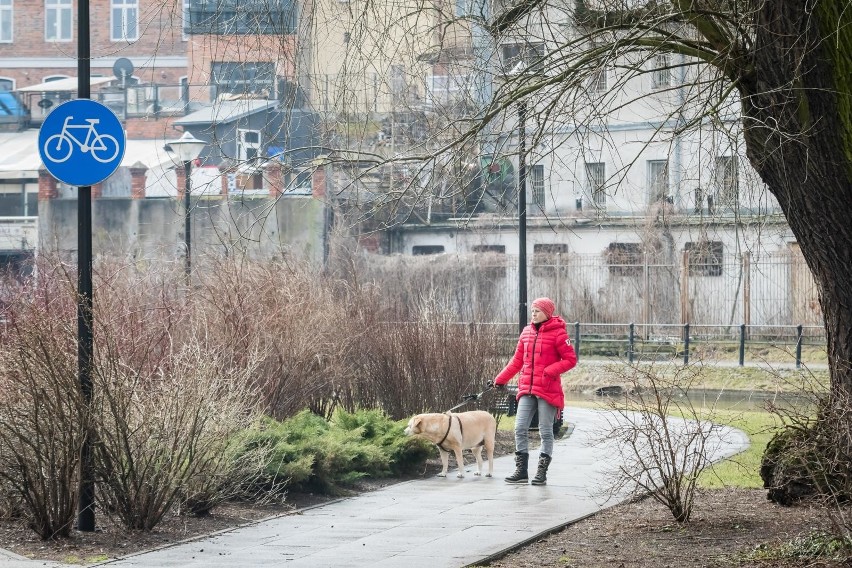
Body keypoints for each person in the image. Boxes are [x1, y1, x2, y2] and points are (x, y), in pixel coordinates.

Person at [490, 297, 577, 485]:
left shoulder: (559, 334)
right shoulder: (526, 333)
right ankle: (521, 471)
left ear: (547, 312)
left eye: (537, 311)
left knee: (545, 431)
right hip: (526, 389)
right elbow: (516, 361)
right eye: (532, 311)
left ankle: (541, 473)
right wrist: (499, 379)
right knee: (519, 428)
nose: (533, 314)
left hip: (547, 389)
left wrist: (549, 371)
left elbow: (570, 359)